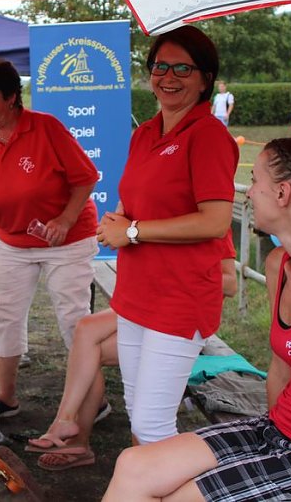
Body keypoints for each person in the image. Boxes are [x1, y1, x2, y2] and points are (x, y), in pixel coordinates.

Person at [103, 137, 291, 501]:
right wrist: (268, 445)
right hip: (282, 432)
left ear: (282, 193)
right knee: (132, 465)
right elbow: (280, 372)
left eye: (256, 181)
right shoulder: (280, 264)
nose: (247, 194)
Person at [96, 25, 239, 446]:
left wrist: (135, 231)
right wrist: (120, 219)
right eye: (161, 66)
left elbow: (214, 222)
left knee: (152, 425)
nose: (169, 77)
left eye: (183, 68)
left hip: (181, 298)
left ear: (205, 79)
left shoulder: (209, 135)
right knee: (137, 415)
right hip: (138, 293)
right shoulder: (144, 133)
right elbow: (143, 198)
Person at [0, 59, 101, 417]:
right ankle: (6, 398)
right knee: (4, 315)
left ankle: (94, 401)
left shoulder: (47, 129)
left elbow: (86, 177)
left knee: (73, 318)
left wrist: (64, 219)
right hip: (10, 241)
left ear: (13, 97)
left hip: (68, 241)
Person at [27, 239, 239, 472]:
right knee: (86, 331)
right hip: (145, 307)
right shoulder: (150, 218)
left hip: (179, 318)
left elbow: (230, 284)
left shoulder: (205, 221)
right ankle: (70, 429)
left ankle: (83, 441)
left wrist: (177, 273)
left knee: (145, 418)